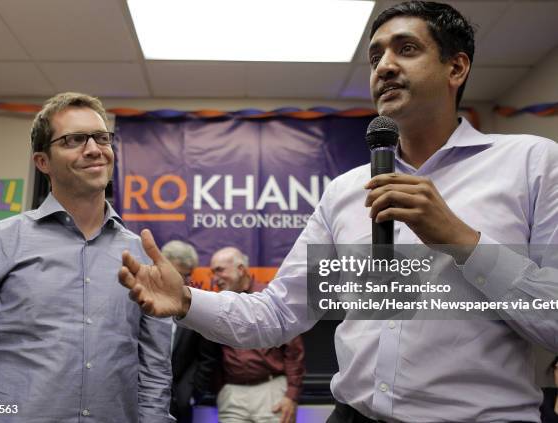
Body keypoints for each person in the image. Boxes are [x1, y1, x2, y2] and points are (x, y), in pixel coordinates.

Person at [118, 1, 558, 422]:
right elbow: (278, 314)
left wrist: (460, 240)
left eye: (406, 49)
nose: (384, 66)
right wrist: (187, 301)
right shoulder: (345, 191)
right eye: (375, 56)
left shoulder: (531, 164)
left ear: (456, 68)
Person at [0, 92, 174, 422]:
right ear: (43, 162)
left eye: (101, 138)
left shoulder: (141, 255)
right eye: (74, 140)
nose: (94, 149)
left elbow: (154, 375)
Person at [210, 247, 304, 423]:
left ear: (241, 269)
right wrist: (221, 389)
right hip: (232, 394)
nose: (215, 278)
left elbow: (294, 351)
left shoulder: (269, 299)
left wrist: (291, 395)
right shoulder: (217, 303)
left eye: (220, 270)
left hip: (270, 391)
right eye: (213, 272)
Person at [162, 240, 220, 423]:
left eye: (186, 276)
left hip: (180, 402)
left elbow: (207, 357)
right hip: (140, 399)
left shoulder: (195, 305)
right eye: (178, 274)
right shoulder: (139, 299)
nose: (182, 281)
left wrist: (194, 393)